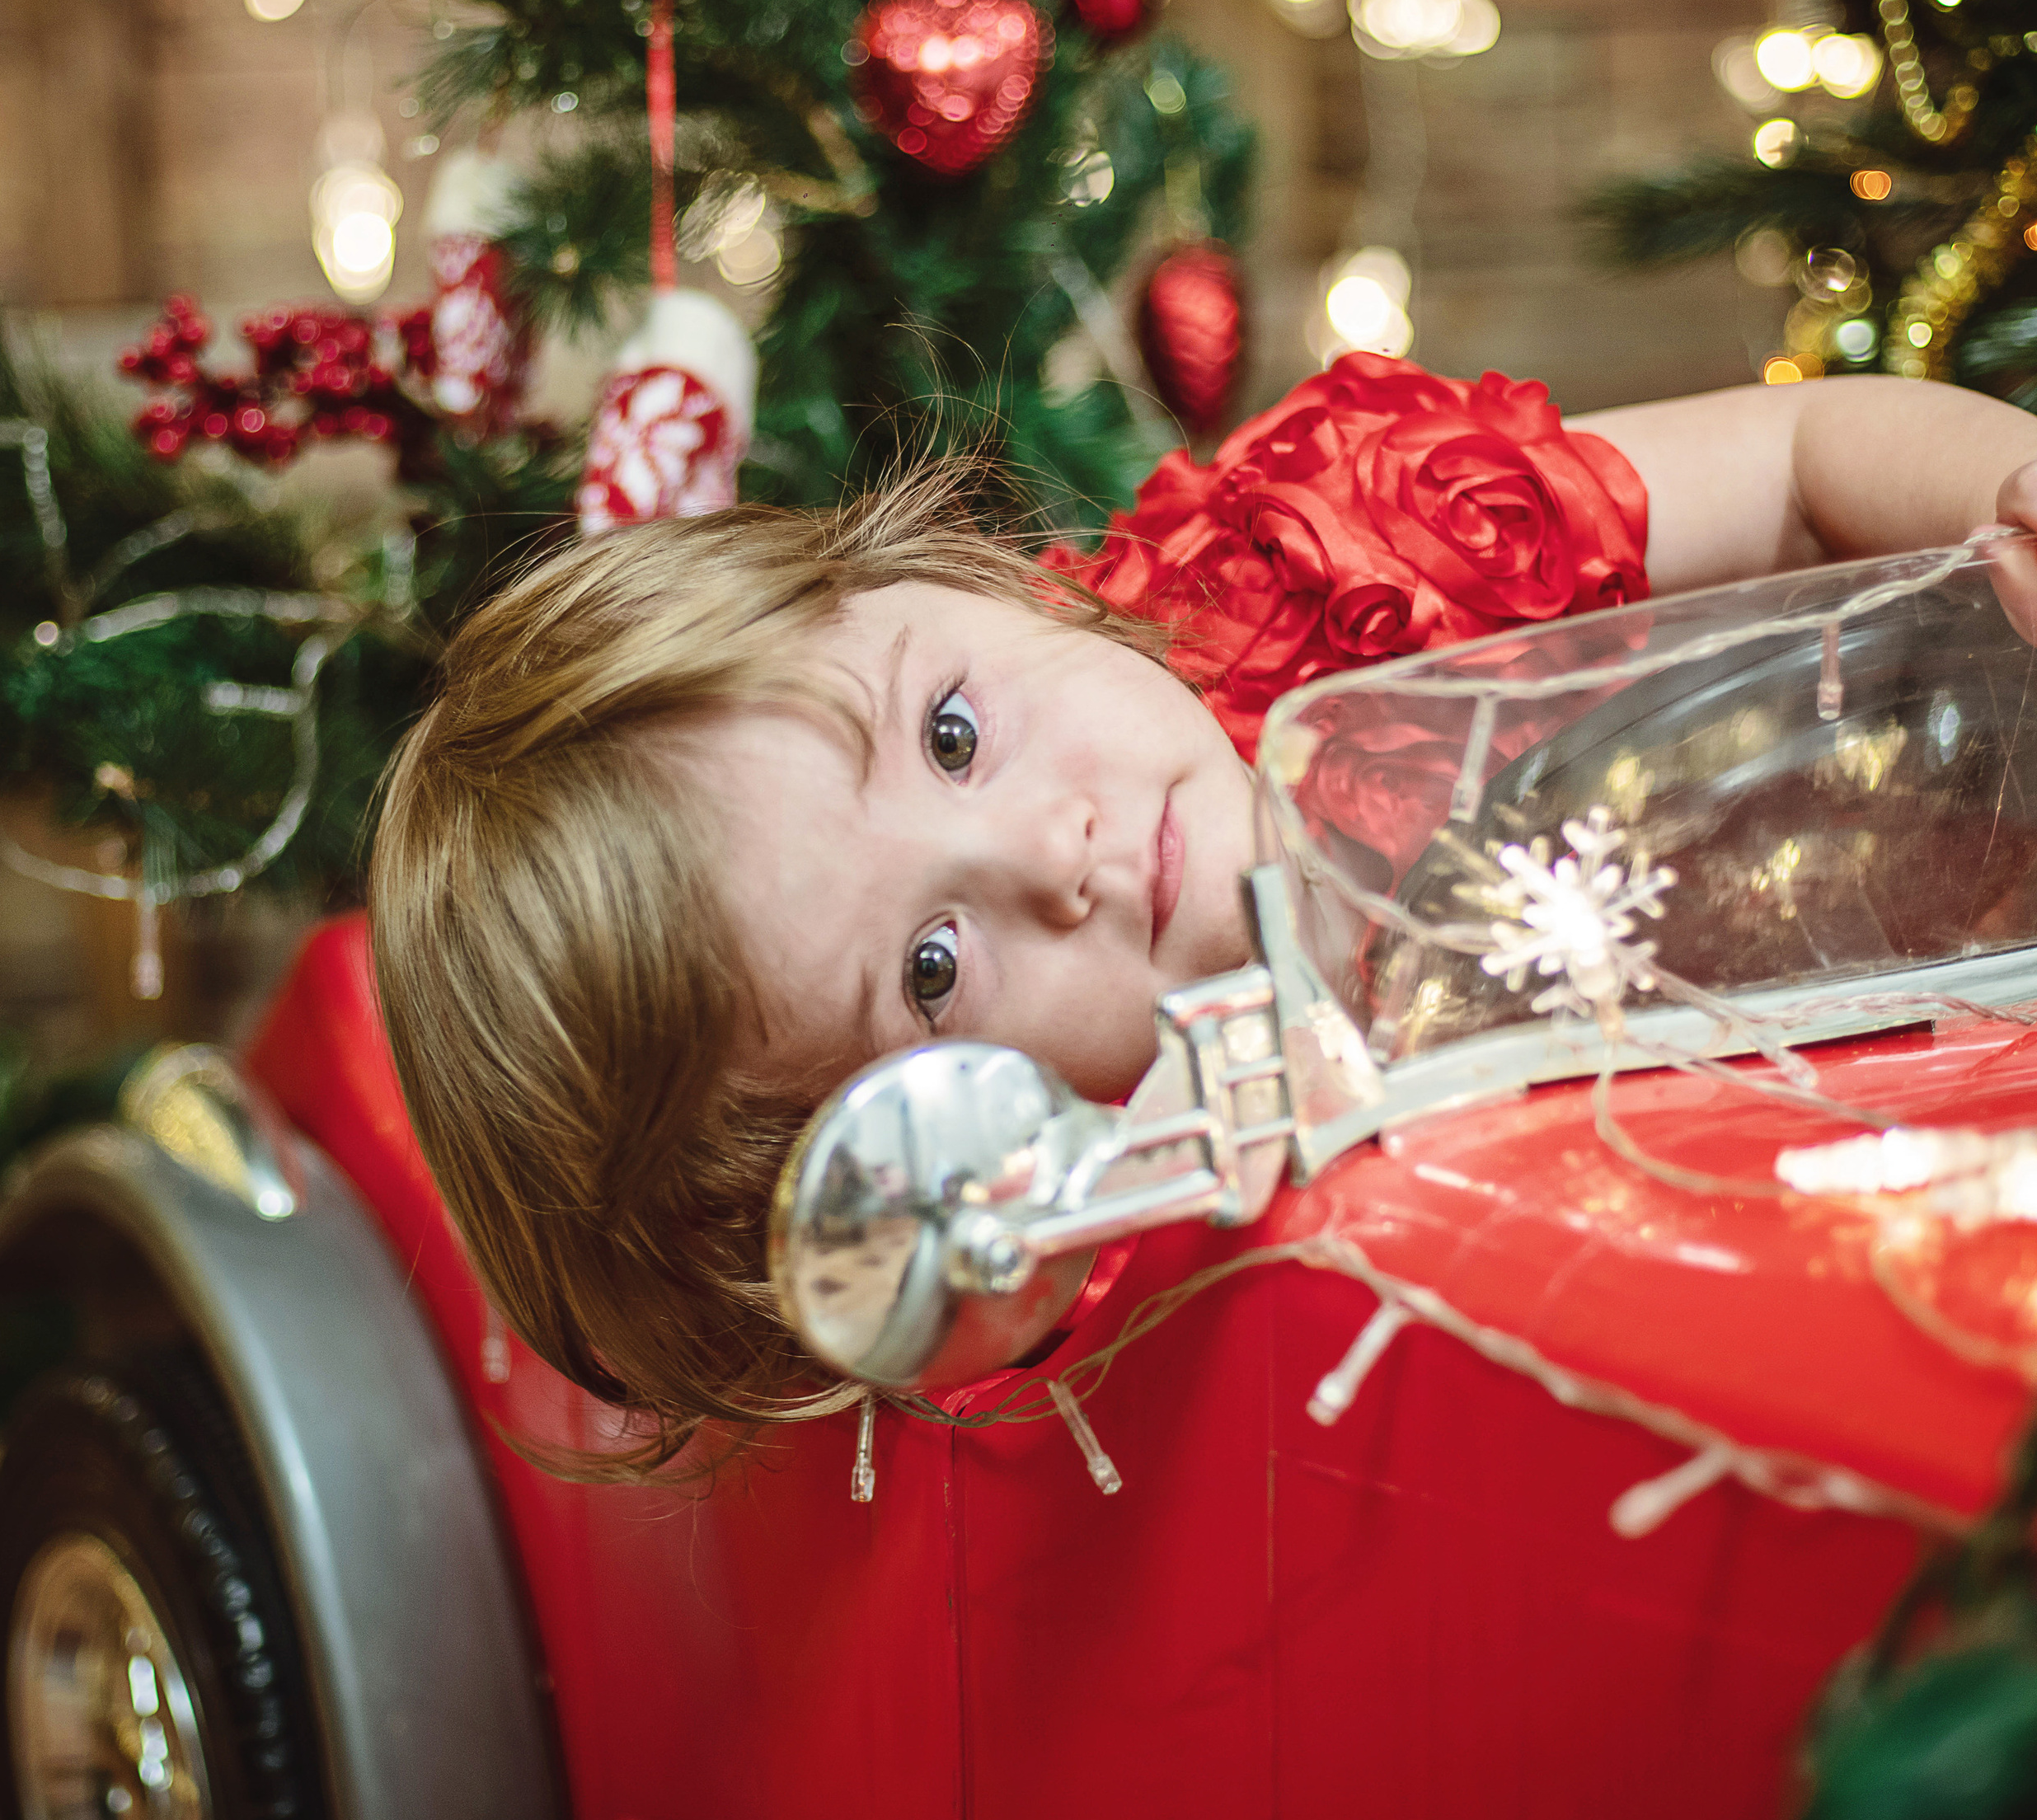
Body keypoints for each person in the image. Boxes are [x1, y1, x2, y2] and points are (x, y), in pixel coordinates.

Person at [368, 354, 2037, 1473]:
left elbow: (1805, 461)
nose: (1052, 849)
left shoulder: (1331, 557)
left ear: (943, 573)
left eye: (954, 731)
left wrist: (2012, 488)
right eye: (931, 968)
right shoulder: (1110, 1262)